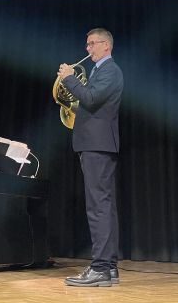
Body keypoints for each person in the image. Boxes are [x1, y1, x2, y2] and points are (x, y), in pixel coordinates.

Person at [58, 28, 123, 287]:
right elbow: (88, 101)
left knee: (98, 207)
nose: (88, 49)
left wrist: (69, 79)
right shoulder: (100, 71)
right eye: (87, 44)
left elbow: (91, 98)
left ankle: (100, 268)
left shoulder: (110, 70)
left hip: (98, 145)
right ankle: (109, 267)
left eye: (92, 44)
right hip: (95, 143)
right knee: (103, 206)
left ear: (106, 45)